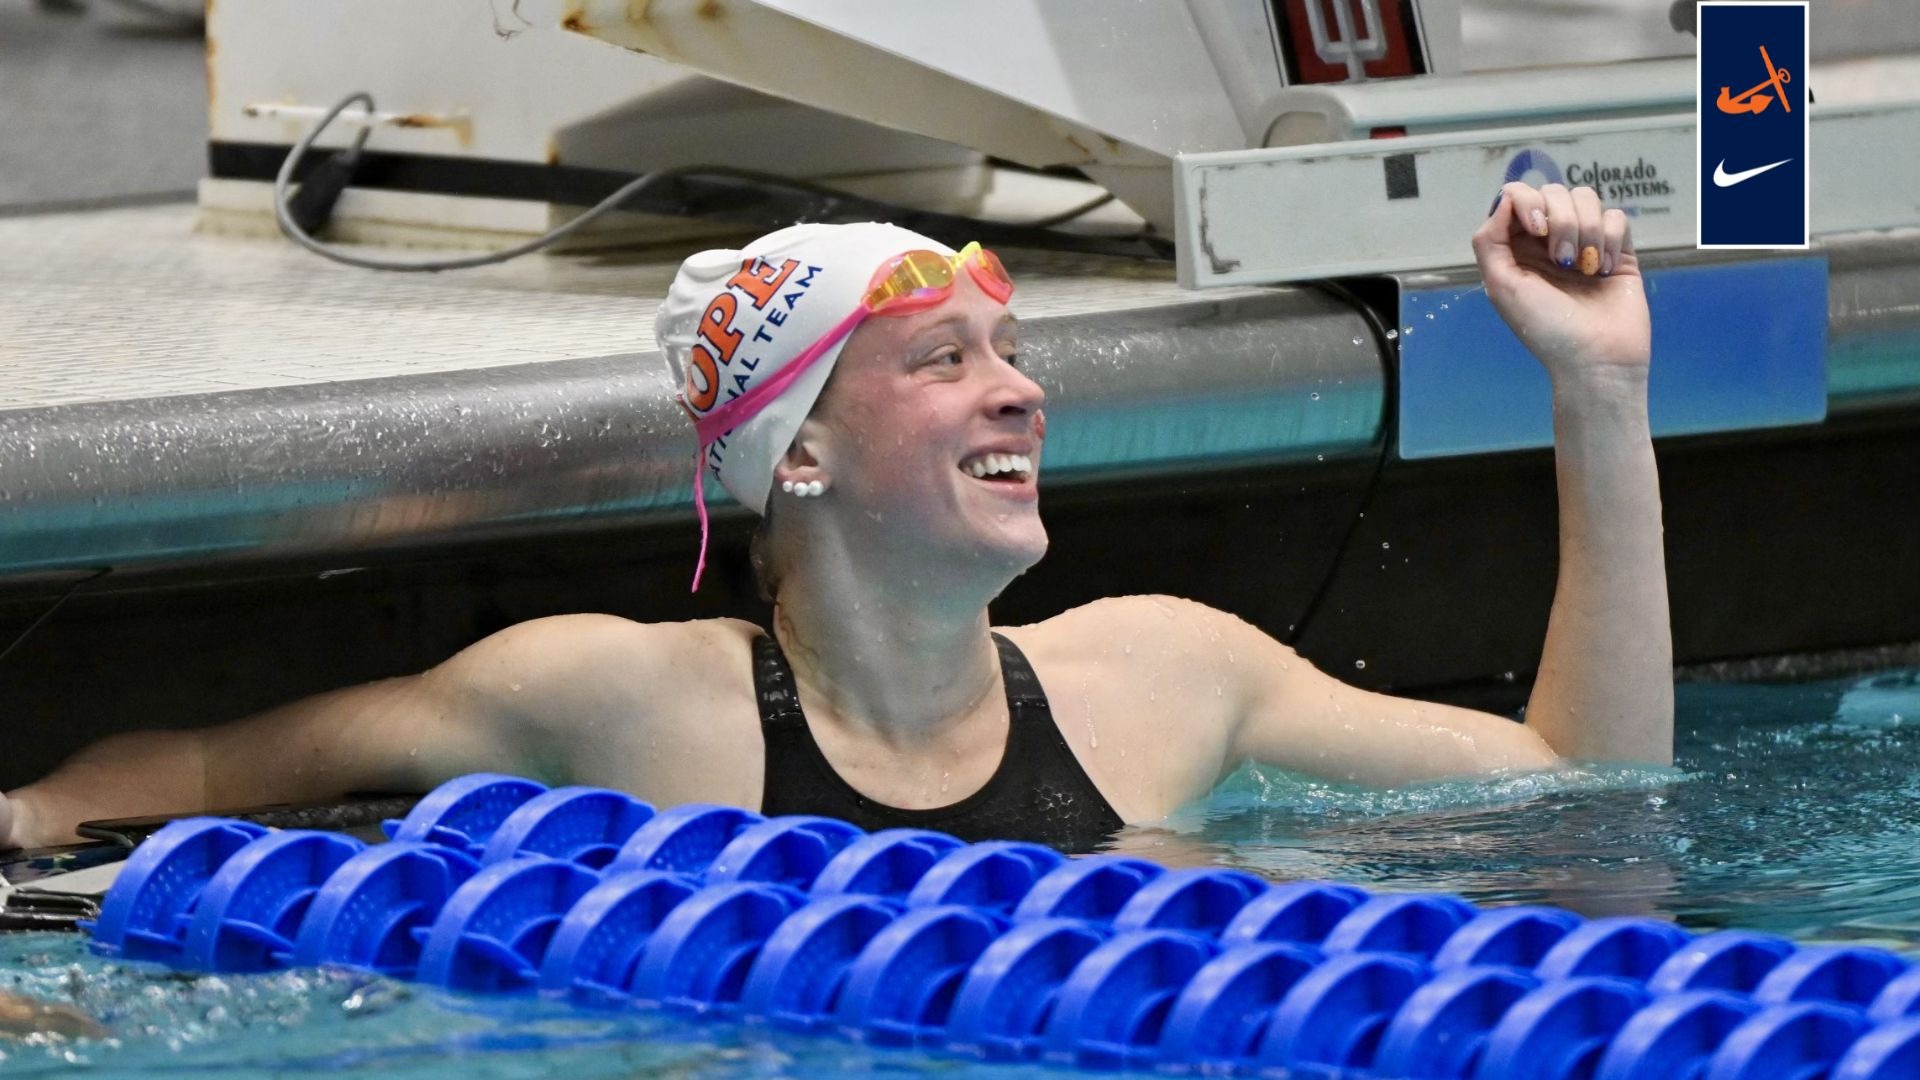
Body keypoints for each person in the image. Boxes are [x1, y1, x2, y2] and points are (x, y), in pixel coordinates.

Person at [0, 180, 1671, 852]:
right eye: (945, 361)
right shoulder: (623, 702)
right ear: (792, 449)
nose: (1022, 391)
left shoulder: (1160, 676)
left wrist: (1597, 394)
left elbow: (1585, 790)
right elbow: (218, 772)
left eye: (1012, 353)